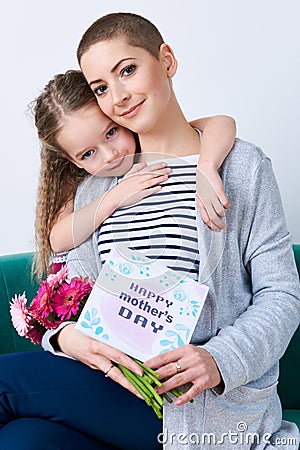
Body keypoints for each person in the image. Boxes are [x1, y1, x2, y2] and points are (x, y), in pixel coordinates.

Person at [0, 12, 298, 450]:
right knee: (22, 439)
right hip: (111, 387)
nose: (118, 96)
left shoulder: (240, 166)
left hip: (196, 409)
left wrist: (217, 360)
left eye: (127, 70)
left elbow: (282, 294)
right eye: (101, 88)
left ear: (167, 61)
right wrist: (66, 338)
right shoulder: (97, 188)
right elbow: (64, 295)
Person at [33, 69, 236, 279]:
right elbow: (58, 239)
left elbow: (221, 123)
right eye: (88, 154)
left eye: (111, 133)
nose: (110, 155)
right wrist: (117, 196)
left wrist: (207, 167)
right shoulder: (86, 187)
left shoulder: (159, 144)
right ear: (74, 161)